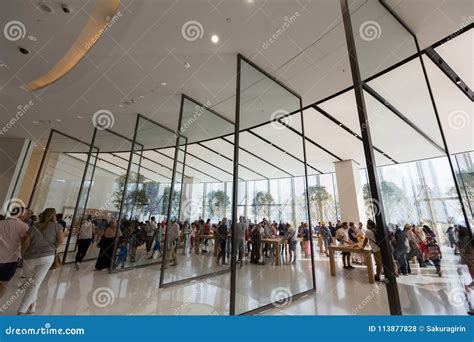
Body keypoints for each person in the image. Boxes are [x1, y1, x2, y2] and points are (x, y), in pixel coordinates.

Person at [18, 208, 64, 314]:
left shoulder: (34, 227)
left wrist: (22, 255)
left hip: (29, 258)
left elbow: (26, 243)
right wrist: (53, 248)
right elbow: (61, 241)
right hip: (47, 257)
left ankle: (28, 307)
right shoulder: (58, 226)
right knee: (34, 284)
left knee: (31, 283)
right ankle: (24, 310)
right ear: (54, 216)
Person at [0, 207, 31, 298]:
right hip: (10, 259)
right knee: (4, 282)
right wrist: (22, 256)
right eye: (25, 214)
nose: (26, 216)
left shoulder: (1, 223)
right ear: (21, 214)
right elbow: (25, 243)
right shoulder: (23, 226)